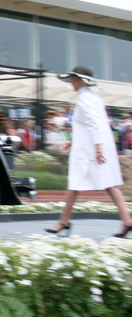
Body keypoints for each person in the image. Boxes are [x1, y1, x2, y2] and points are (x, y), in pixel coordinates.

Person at [46, 66, 132, 238]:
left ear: (79, 80)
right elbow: (92, 125)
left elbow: (93, 124)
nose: (71, 83)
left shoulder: (85, 99)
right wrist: (75, 142)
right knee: (108, 184)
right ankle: (127, 221)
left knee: (75, 185)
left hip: (88, 152)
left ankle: (64, 221)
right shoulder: (95, 98)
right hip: (94, 147)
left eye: (73, 80)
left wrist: (97, 148)